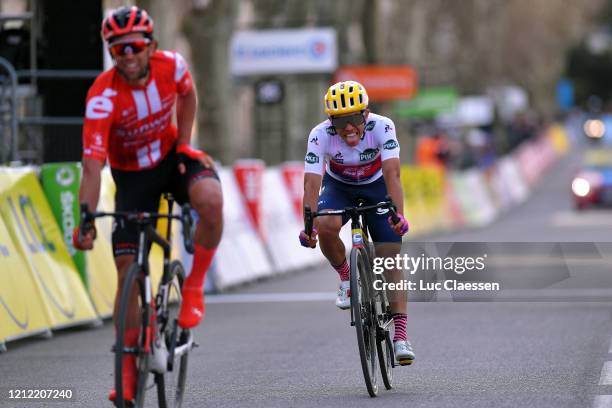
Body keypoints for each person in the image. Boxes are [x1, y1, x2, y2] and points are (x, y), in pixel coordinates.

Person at [71, 6, 223, 404]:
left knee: (211, 199)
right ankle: (124, 373)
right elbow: (91, 167)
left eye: (136, 46)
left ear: (151, 45)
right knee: (126, 271)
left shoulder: (171, 66)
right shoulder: (102, 96)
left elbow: (189, 95)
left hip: (171, 159)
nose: (129, 55)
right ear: (111, 52)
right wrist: (84, 220)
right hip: (132, 177)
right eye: (118, 49)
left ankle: (192, 286)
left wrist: (186, 141)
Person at [299, 81, 415, 365]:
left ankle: (400, 336)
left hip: (376, 185)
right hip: (339, 187)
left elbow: (393, 173)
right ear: (330, 122)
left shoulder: (382, 126)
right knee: (325, 226)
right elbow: (311, 183)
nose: (349, 128)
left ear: (366, 114)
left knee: (389, 257)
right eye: (341, 122)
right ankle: (345, 278)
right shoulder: (319, 135)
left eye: (354, 119)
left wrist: (398, 214)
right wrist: (308, 225)